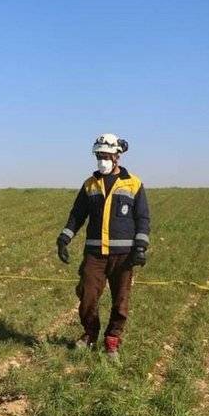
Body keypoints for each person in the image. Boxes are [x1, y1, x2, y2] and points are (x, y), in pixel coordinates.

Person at [55, 133, 151, 361]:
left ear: (117, 156)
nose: (102, 160)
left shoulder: (134, 184)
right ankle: (89, 334)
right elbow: (77, 215)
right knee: (87, 295)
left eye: (106, 155)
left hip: (124, 256)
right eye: (99, 156)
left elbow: (143, 218)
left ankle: (112, 342)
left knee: (121, 301)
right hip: (95, 254)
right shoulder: (90, 185)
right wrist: (64, 238)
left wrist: (140, 247)